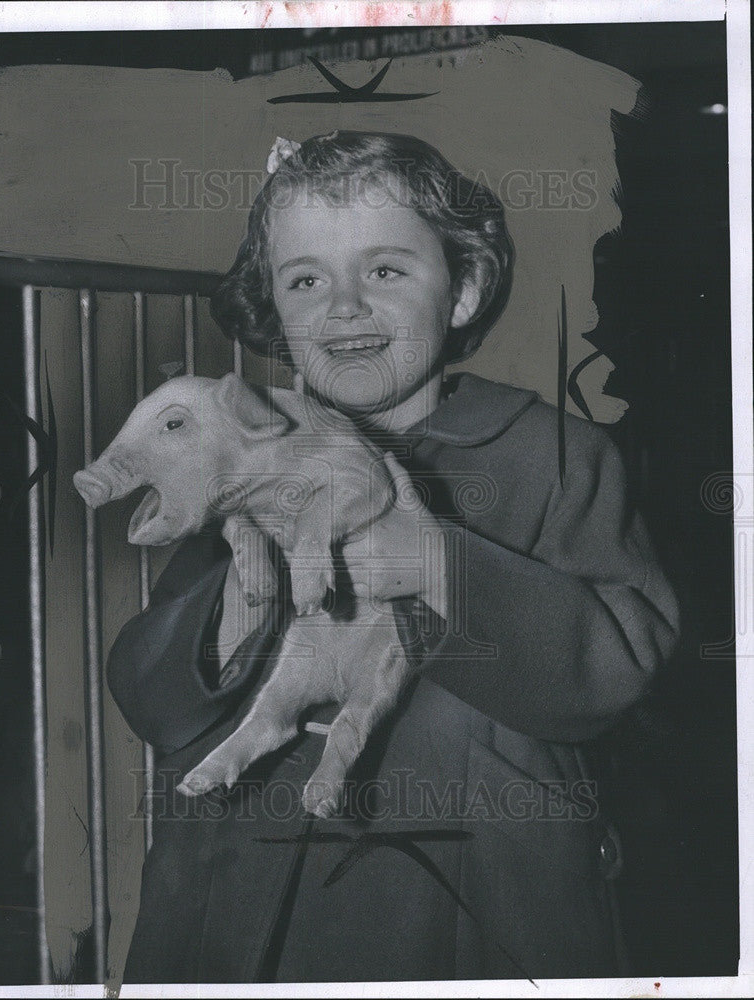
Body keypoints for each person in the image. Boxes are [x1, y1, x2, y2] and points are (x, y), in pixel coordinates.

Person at [107, 131, 680, 983]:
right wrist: (232, 616)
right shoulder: (242, 452)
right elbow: (152, 696)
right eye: (305, 279)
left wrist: (438, 563)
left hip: (471, 901)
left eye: (384, 271)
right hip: (248, 906)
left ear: (463, 290)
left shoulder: (553, 457)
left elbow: (621, 667)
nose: (343, 307)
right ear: (273, 307)